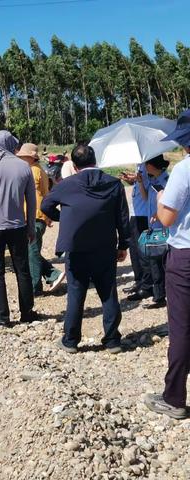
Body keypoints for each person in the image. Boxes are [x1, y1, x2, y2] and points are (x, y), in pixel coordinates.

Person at [41, 144, 131, 354]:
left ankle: (71, 341)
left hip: (76, 246)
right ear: (95, 160)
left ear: (73, 164)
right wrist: (123, 244)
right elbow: (122, 217)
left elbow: (46, 206)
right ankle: (112, 341)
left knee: (76, 293)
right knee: (108, 292)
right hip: (105, 246)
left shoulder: (67, 184)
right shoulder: (113, 183)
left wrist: (65, 217)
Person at [144, 109, 190, 420]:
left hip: (185, 255)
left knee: (182, 327)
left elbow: (167, 218)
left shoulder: (185, 170)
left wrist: (161, 197)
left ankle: (173, 398)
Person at [0, 130, 39, 327]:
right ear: (12, 144)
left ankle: (3, 316)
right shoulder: (24, 167)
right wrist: (31, 228)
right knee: (22, 270)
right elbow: (31, 200)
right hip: (18, 227)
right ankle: (26, 312)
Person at [16, 143, 65, 296]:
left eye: (23, 156)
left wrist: (46, 215)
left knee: (32, 252)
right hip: (29, 217)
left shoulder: (36, 172)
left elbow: (46, 195)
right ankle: (52, 274)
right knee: (31, 251)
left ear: (31, 157)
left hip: (35, 218)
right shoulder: (31, 170)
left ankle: (35, 288)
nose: (21, 158)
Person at [127, 155, 169, 309]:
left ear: (151, 165)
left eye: (146, 165)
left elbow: (169, 203)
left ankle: (160, 296)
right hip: (153, 225)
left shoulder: (165, 181)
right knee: (153, 259)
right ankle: (158, 294)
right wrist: (139, 181)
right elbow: (145, 198)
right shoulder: (152, 180)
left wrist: (158, 213)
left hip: (161, 226)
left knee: (158, 260)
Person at [119, 164, 153, 301]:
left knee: (143, 253)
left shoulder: (149, 164)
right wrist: (132, 180)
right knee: (134, 251)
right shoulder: (140, 164)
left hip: (144, 214)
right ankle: (139, 282)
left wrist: (138, 180)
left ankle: (147, 286)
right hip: (135, 213)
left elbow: (148, 188)